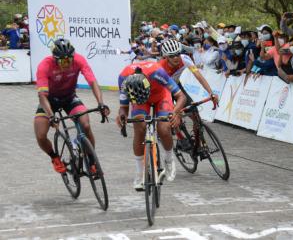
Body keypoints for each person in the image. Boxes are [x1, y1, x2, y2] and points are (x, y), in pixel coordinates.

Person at [34, 39, 109, 174]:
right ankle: (55, 158)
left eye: (69, 60)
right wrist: (51, 116)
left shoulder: (79, 60)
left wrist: (101, 103)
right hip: (49, 100)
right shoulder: (44, 66)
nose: (67, 64)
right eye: (63, 61)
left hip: (69, 97)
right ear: (55, 59)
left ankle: (92, 161)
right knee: (40, 134)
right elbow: (42, 96)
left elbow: (92, 82)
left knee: (85, 125)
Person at [116, 61, 185, 190]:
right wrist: (122, 115)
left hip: (161, 95)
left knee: (163, 128)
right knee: (139, 128)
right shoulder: (123, 79)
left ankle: (169, 160)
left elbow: (181, 96)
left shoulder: (157, 72)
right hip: (139, 99)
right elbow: (123, 107)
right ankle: (139, 172)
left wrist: (176, 113)